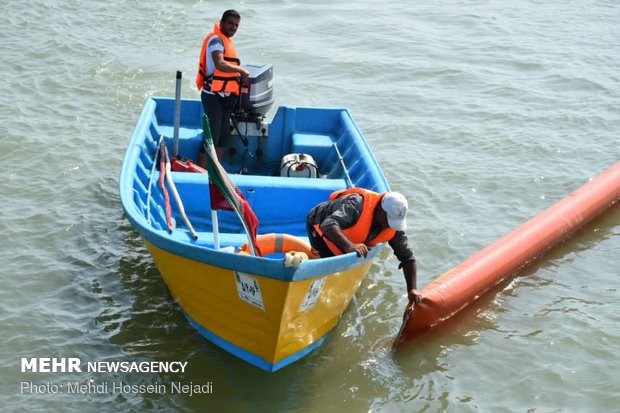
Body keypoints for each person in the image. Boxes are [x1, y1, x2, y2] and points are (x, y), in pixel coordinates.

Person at [307, 188, 420, 304]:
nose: (390, 226)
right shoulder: (355, 205)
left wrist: (412, 289)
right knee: (329, 270)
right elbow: (328, 225)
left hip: (348, 237)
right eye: (389, 221)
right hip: (319, 225)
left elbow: (408, 258)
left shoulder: (393, 228)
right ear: (381, 210)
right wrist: (350, 246)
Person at [196, 9, 250, 165]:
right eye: (230, 23)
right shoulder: (216, 41)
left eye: (236, 25)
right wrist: (241, 70)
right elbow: (220, 63)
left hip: (226, 97)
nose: (233, 27)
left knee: (223, 137)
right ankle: (201, 171)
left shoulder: (227, 42)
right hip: (212, 96)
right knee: (211, 136)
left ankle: (216, 171)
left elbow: (228, 68)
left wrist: (239, 79)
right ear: (222, 24)